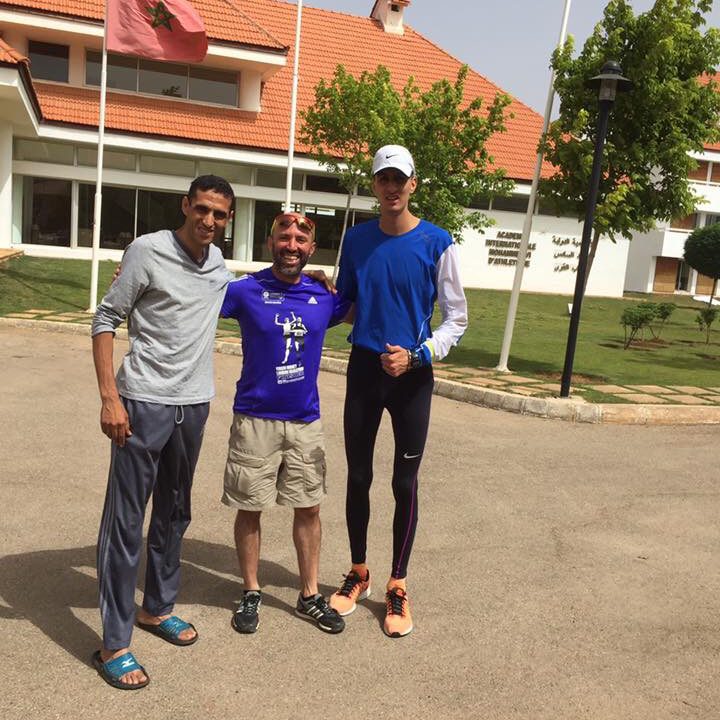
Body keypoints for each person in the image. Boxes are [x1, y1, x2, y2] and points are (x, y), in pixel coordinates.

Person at [91, 175, 235, 689]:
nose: (208, 221)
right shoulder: (146, 251)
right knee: (126, 521)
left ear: (228, 219)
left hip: (192, 407)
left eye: (219, 214)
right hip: (142, 402)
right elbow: (106, 319)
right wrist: (111, 398)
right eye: (201, 209)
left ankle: (157, 607)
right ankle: (114, 642)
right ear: (185, 206)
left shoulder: (219, 267)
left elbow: (257, 293)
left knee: (175, 512)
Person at [329, 145, 468, 638]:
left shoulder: (437, 242)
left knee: (403, 484)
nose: (391, 186)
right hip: (365, 368)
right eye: (382, 179)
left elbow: (457, 319)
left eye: (399, 178)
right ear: (374, 185)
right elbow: (345, 306)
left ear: (413, 183)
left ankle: (398, 583)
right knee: (358, 476)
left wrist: (419, 354)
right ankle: (359, 573)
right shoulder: (357, 240)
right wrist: (306, 294)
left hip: (411, 373)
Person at [221, 212, 350, 635]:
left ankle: (309, 594)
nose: (291, 245)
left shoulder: (324, 296)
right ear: (269, 242)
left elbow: (371, 303)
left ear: (312, 249)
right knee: (250, 507)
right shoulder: (244, 291)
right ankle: (252, 590)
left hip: (304, 422)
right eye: (284, 237)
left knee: (309, 507)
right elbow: (188, 298)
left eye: (301, 239)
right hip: (255, 419)